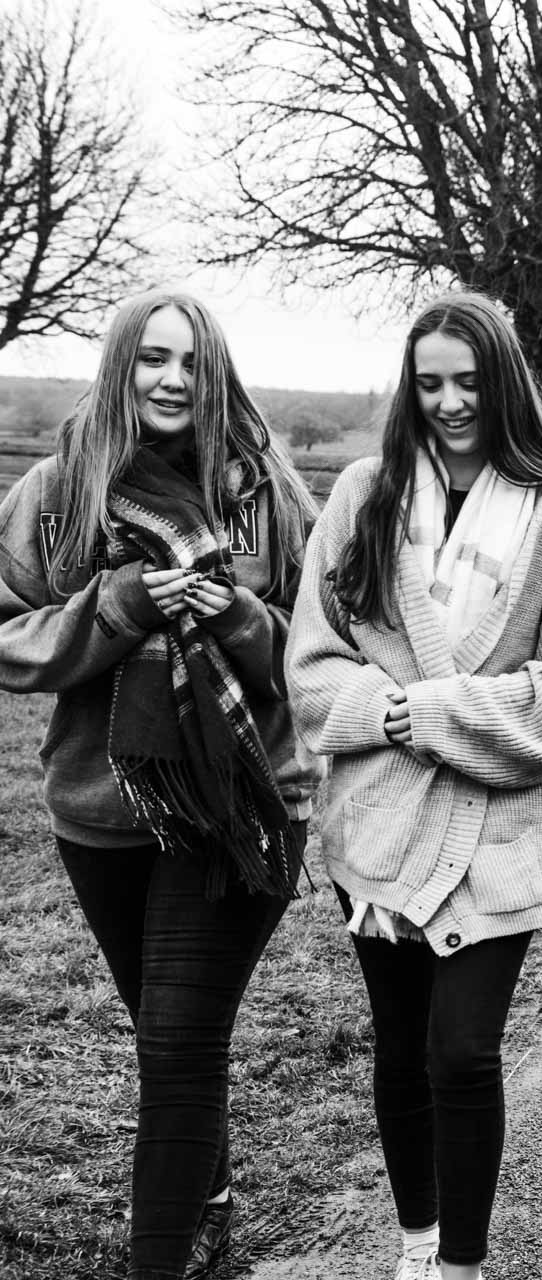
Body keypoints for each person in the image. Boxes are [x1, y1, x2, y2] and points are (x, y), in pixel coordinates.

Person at [0, 290, 320, 1279]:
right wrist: (120, 602)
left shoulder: (267, 490)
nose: (172, 379)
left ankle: (163, 1258)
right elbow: (12, 634)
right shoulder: (62, 489)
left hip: (237, 808)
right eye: (151, 359)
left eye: (190, 360)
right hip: (102, 806)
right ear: (121, 369)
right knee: (168, 1034)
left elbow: (330, 652)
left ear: (215, 371)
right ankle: (208, 1196)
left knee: (178, 1033)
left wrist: (238, 618)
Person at [286, 292, 542, 1280]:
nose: (452, 401)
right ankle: (419, 1238)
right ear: (408, 387)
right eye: (431, 383)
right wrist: (386, 714)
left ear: (502, 381)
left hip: (496, 819)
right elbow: (314, 655)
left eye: (470, 380)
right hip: (378, 814)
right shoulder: (363, 493)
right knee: (403, 1045)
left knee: (462, 1048)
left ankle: (462, 1261)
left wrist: (437, 714)